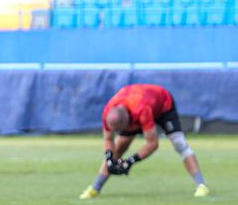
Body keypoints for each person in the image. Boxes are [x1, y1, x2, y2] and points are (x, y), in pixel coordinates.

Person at [79, 83, 210, 199]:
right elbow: (108, 139)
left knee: (179, 144)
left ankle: (201, 185)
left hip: (163, 105)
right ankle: (95, 188)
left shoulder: (141, 109)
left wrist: (130, 161)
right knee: (117, 149)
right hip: (135, 107)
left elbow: (153, 143)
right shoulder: (108, 112)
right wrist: (109, 159)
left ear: (129, 122)